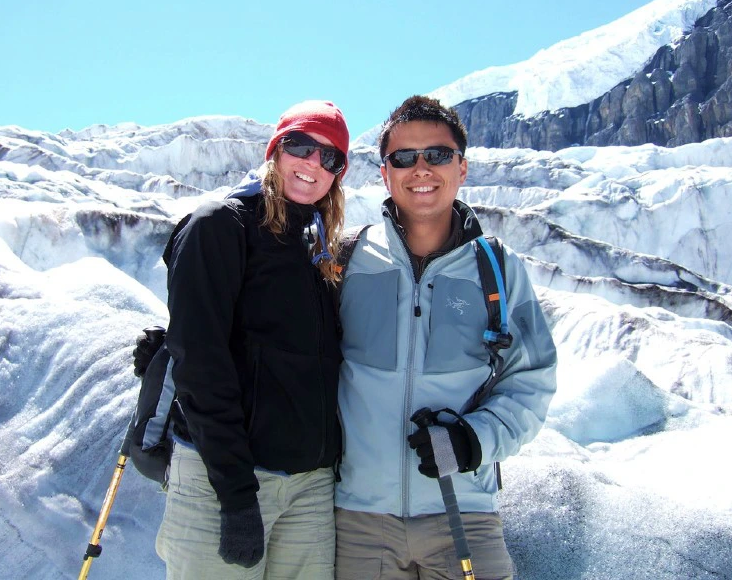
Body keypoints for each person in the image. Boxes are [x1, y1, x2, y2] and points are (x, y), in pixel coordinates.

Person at [334, 95, 557, 580]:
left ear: (462, 168)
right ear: (384, 173)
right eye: (403, 158)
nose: (421, 169)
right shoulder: (346, 261)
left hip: (466, 514)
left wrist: (473, 440)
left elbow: (531, 380)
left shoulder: (499, 270)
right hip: (357, 521)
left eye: (437, 155)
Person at [154, 100, 350, 579]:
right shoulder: (221, 225)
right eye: (301, 146)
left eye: (331, 159)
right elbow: (200, 365)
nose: (313, 164)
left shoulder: (319, 246)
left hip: (309, 487)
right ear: (275, 150)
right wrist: (236, 494)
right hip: (224, 480)